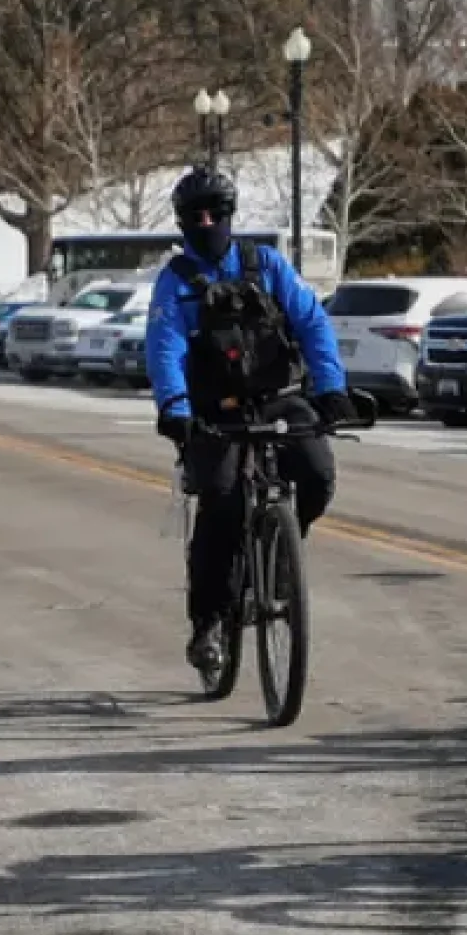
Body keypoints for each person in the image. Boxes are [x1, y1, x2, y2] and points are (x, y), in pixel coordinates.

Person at [145, 164, 355, 680]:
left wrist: (330, 389)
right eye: (197, 216)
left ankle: (284, 554)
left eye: (217, 213)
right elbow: (164, 347)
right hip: (213, 411)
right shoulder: (175, 284)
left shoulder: (266, 266)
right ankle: (210, 624)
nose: (208, 222)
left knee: (317, 473)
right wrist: (174, 409)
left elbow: (311, 322)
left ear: (232, 217)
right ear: (183, 224)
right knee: (221, 503)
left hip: (279, 397)